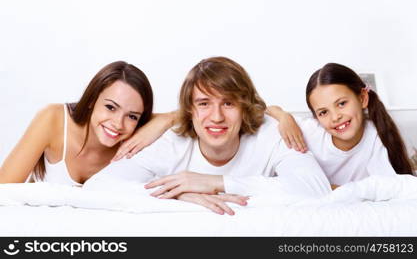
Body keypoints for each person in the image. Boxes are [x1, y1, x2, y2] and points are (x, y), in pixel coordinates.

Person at [85, 57, 331, 214]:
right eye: (204, 104)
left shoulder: (272, 133)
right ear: (190, 109)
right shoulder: (171, 143)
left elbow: (315, 188)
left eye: (228, 104)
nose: (216, 117)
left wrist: (216, 183)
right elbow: (98, 186)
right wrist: (177, 194)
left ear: (244, 106)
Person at [0, 61, 176, 185]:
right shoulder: (54, 119)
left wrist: (166, 120)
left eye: (132, 116)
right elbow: (4, 189)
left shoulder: (139, 131)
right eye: (110, 107)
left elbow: (191, 114)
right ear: (92, 100)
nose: (118, 124)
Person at [267, 62, 414, 188]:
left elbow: (387, 186)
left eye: (342, 104)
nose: (336, 117)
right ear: (316, 117)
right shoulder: (308, 131)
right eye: (323, 112)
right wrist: (283, 116)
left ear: (362, 98)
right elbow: (263, 109)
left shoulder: (375, 136)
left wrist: (333, 188)